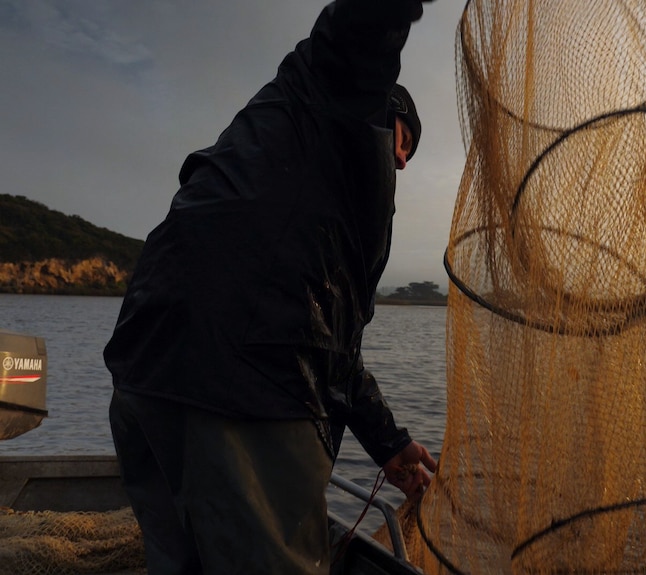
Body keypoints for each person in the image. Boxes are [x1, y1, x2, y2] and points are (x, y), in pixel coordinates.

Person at [104, 1, 437, 573]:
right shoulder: (335, 86)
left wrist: (389, 444)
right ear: (378, 102)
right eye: (400, 137)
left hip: (145, 367)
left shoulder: (302, 186)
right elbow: (361, 29)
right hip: (244, 392)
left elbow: (333, 350)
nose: (401, 159)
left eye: (408, 152)